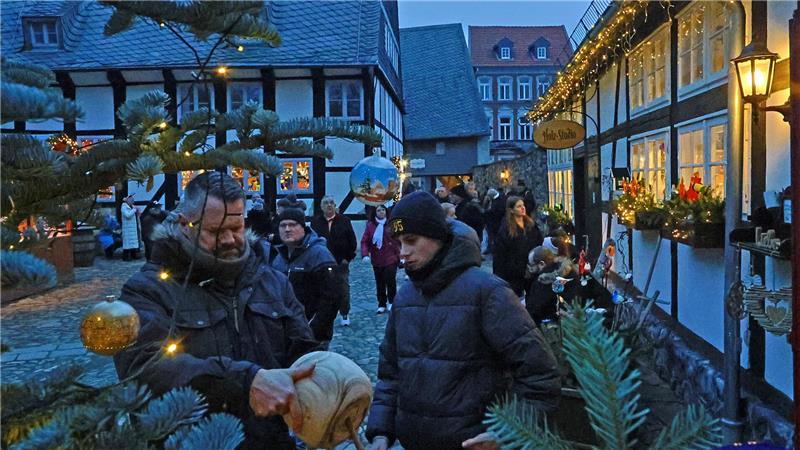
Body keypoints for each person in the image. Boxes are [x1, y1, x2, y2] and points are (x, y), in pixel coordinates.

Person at [114, 172, 319, 449]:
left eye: (235, 227)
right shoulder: (147, 289)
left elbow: (303, 353)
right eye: (214, 231)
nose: (229, 239)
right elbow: (144, 368)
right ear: (185, 224)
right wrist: (243, 382)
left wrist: (329, 383)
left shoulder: (272, 281)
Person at [365, 191, 560, 450]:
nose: (403, 252)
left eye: (411, 240)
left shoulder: (488, 292)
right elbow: (390, 374)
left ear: (437, 238)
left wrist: (507, 431)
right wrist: (381, 432)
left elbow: (540, 375)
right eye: (399, 243)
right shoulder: (405, 298)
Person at [269, 206, 341, 346]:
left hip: (312, 334)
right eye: (283, 225)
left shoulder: (319, 254)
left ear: (303, 227)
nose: (287, 229)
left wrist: (313, 329)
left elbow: (332, 297)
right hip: (285, 334)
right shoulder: (278, 257)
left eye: (292, 225)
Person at [310, 196, 357, 326]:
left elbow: (352, 242)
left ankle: (344, 313)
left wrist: (347, 258)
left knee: (343, 289)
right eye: (326, 203)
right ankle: (323, 315)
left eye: (331, 203)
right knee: (322, 289)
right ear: (321, 207)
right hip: (322, 262)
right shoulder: (316, 222)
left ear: (335, 205)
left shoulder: (344, 221)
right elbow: (313, 241)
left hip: (340, 262)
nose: (329, 205)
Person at [493, 196, 543, 296]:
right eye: (519, 206)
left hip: (531, 268)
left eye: (523, 205)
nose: (523, 208)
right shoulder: (506, 230)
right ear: (511, 210)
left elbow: (539, 243)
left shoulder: (531, 225)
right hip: (513, 273)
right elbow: (501, 255)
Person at [360, 205, 401, 314]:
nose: (381, 212)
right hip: (377, 257)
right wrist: (365, 254)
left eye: (383, 210)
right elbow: (365, 241)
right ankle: (381, 303)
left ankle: (392, 301)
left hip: (391, 256)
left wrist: (402, 255)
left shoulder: (393, 223)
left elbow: (400, 238)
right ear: (375, 212)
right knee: (380, 281)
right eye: (379, 210)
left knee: (390, 279)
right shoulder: (370, 226)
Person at [120, 194, 141, 261]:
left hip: (133, 227)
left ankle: (133, 255)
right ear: (127, 201)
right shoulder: (123, 207)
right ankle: (126, 256)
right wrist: (134, 210)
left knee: (133, 242)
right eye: (131, 200)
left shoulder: (132, 207)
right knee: (127, 243)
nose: (133, 201)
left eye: (133, 200)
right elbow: (127, 215)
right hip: (127, 228)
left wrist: (138, 212)